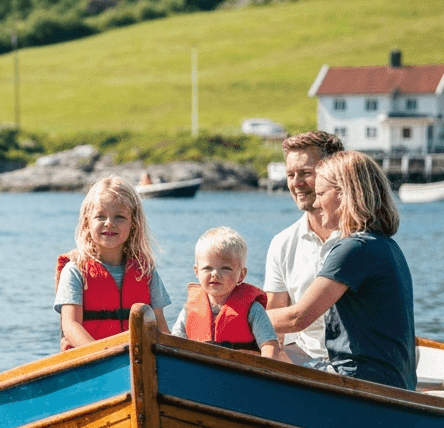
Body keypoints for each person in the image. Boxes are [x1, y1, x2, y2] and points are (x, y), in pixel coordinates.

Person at [266, 150, 416, 390]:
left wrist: (242, 315)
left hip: (361, 382)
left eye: (321, 194)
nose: (315, 203)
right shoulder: (384, 244)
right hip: (391, 381)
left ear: (346, 194)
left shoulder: (353, 249)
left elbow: (298, 318)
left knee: (244, 356)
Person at [54, 176, 171, 349]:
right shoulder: (74, 271)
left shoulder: (145, 271)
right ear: (87, 223)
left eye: (119, 217)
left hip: (140, 360)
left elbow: (159, 324)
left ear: (134, 223)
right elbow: (71, 325)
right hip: (94, 361)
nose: (109, 223)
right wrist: (103, 356)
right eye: (100, 217)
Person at [264, 130, 345, 362]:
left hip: (357, 364)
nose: (296, 183)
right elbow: (274, 322)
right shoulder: (282, 243)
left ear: (334, 174)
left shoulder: (359, 240)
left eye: (306, 173)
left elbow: (295, 318)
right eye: (291, 175)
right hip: (305, 358)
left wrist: (241, 313)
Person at [171, 227, 290, 362]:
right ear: (197, 271)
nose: (215, 273)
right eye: (208, 268)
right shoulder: (189, 310)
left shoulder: (253, 309)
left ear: (241, 275)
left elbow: (270, 346)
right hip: (201, 371)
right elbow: (175, 343)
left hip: (242, 373)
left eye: (225, 268)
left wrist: (265, 367)